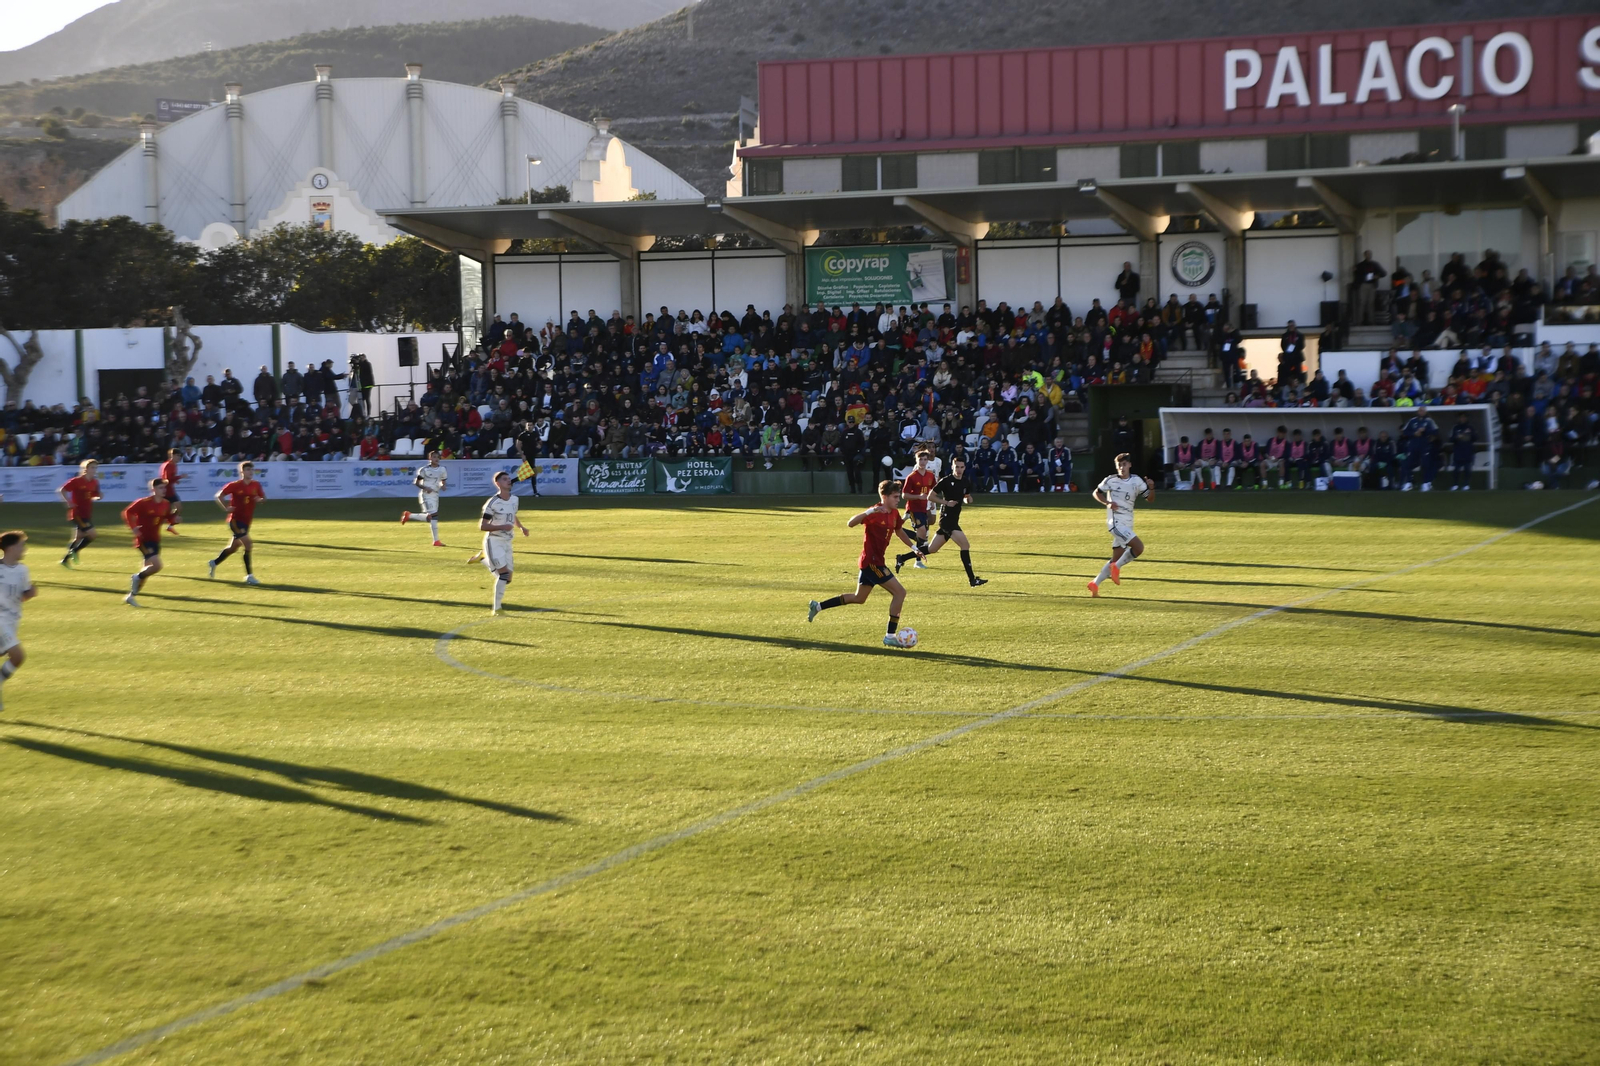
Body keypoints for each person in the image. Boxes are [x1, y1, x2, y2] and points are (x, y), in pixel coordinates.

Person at [807, 480, 923, 647]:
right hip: (872, 562)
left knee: (859, 598)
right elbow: (851, 523)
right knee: (900, 593)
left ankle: (817, 606)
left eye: (899, 496)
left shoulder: (894, 514)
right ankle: (890, 636)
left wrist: (914, 547)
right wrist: (870, 511)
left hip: (875, 561)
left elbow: (898, 531)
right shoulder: (874, 513)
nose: (899, 499)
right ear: (884, 497)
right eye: (895, 496)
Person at [894, 456, 986, 587]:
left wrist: (968, 499)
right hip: (947, 520)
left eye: (961, 467)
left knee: (932, 549)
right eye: (957, 467)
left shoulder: (965, 481)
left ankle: (902, 558)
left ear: (964, 468)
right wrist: (946, 502)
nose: (959, 470)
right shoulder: (946, 481)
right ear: (952, 467)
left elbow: (966, 497)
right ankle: (972, 579)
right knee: (965, 545)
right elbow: (931, 495)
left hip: (954, 518)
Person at [1088, 453, 1152, 598]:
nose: (1122, 468)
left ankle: (1095, 584)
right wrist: (1108, 503)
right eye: (1119, 466)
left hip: (1128, 523)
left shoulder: (1136, 480)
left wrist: (1152, 488)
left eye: (1124, 465)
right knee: (1139, 547)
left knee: (1116, 557)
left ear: (1129, 465)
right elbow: (1096, 492)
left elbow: (1149, 498)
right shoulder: (1111, 480)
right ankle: (1115, 568)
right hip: (1116, 523)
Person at [479, 470, 529, 615]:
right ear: (498, 483)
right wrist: (501, 526)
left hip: (508, 541)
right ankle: (497, 608)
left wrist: (521, 527)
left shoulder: (515, 499)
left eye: (509, 479)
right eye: (505, 479)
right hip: (494, 540)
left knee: (508, 579)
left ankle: (484, 560)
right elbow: (482, 526)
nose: (509, 481)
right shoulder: (492, 503)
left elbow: (513, 515)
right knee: (504, 575)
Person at [208, 461, 266, 585]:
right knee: (248, 545)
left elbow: (264, 498)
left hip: (247, 521)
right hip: (235, 520)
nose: (250, 472)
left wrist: (260, 499)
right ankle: (249, 576)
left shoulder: (256, 485)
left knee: (233, 548)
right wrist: (226, 508)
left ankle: (214, 562)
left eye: (252, 470)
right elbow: (219, 495)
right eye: (248, 470)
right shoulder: (235, 485)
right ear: (242, 472)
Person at [0, 531, 37, 708]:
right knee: (18, 656)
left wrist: (30, 593)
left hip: (12, 620)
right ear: (11, 548)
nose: (24, 549)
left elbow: (21, 595)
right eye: (22, 545)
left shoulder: (23, 570)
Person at [121, 478, 171, 606]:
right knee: (157, 566)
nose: (164, 490)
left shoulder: (165, 503)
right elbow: (127, 512)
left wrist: (174, 519)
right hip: (143, 539)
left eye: (164, 488)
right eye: (161, 488)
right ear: (153, 489)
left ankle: (131, 596)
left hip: (155, 539)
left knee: (147, 570)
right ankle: (136, 576)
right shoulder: (143, 502)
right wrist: (134, 528)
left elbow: (166, 517)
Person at [58, 459, 102, 567]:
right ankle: (75, 551)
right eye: (92, 467)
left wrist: (98, 496)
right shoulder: (77, 481)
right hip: (77, 514)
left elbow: (94, 495)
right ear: (85, 469)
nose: (94, 470)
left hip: (86, 513)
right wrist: (69, 502)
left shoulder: (94, 482)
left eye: (96, 468)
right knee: (92, 534)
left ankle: (65, 560)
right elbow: (62, 490)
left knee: (78, 538)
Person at [899, 449, 938, 566]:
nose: (922, 462)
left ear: (928, 461)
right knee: (922, 532)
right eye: (920, 459)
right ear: (916, 460)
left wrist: (931, 502)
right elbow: (904, 495)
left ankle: (897, 530)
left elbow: (934, 490)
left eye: (925, 459)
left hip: (924, 508)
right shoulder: (911, 477)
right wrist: (918, 497)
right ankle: (918, 561)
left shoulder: (930, 475)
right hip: (913, 508)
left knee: (922, 536)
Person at [401, 451, 448, 546]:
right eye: (434, 457)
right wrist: (425, 488)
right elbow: (417, 483)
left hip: (435, 494)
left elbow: (443, 480)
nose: (436, 459)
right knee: (434, 515)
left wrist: (442, 485)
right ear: (430, 458)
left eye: (438, 457)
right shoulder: (424, 470)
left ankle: (409, 515)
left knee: (432, 517)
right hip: (426, 494)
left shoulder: (442, 469)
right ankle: (436, 541)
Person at [1354, 250, 1388, 326]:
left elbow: (1384, 273)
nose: (1369, 255)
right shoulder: (1360, 265)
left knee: (1371, 303)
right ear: (1364, 255)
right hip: (1363, 285)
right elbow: (1357, 275)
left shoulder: (1375, 264)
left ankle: (1371, 321)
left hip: (1372, 285)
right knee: (1362, 303)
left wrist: (1377, 276)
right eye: (1367, 254)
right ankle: (1359, 321)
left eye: (1370, 254)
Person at [158, 448, 184, 533]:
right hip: (165, 491)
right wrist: (179, 477)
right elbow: (167, 479)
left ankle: (170, 525)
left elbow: (170, 478)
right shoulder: (168, 465)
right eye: (177, 455)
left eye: (180, 456)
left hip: (170, 490)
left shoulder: (174, 465)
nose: (179, 458)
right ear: (171, 455)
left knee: (179, 508)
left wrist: (176, 480)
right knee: (160, 511)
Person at [1449, 413, 1477, 490]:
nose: (1463, 419)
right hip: (1458, 451)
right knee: (1456, 470)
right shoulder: (1455, 428)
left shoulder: (1470, 427)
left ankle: (1466, 485)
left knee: (1467, 469)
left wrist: (1469, 435)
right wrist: (1457, 437)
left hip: (1468, 451)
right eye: (1461, 417)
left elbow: (1475, 437)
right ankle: (1455, 484)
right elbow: (1451, 439)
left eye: (1464, 417)